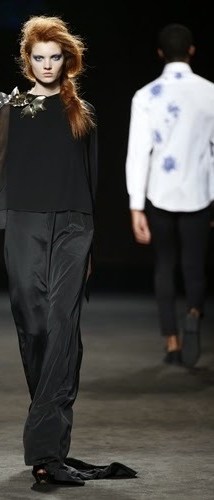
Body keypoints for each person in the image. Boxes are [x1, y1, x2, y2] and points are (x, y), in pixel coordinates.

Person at [0, 15, 136, 485]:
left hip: (75, 227)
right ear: (27, 60)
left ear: (66, 60)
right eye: (39, 58)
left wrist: (90, 245)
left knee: (62, 327)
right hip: (25, 228)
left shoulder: (82, 112)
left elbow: (91, 181)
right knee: (35, 327)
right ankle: (51, 443)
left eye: (55, 57)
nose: (48, 65)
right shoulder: (13, 108)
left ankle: (43, 452)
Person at [125, 23, 214, 369]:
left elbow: (138, 153)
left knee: (164, 265)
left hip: (159, 193)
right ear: (191, 51)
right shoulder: (209, 92)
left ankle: (172, 342)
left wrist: (135, 205)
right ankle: (194, 313)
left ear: (160, 53)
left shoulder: (145, 96)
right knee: (194, 263)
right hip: (199, 193)